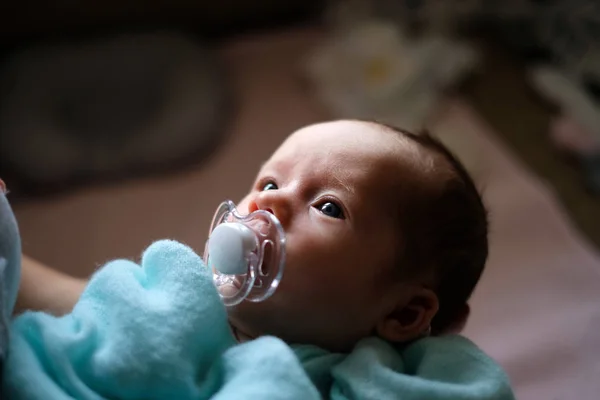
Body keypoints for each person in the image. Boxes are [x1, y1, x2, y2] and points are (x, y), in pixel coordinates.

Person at [2, 121, 514, 399]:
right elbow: (60, 301)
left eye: (329, 206)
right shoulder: (175, 295)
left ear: (403, 314)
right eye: (269, 182)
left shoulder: (350, 383)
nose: (268, 203)